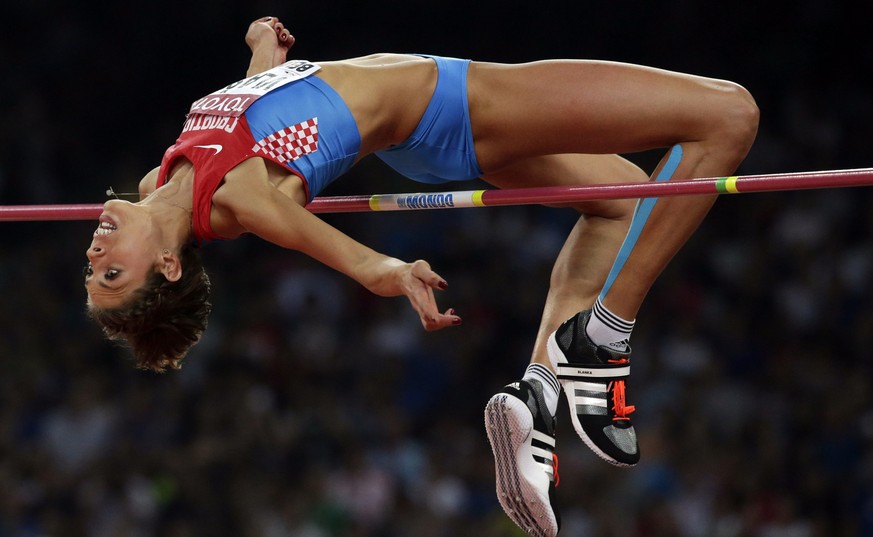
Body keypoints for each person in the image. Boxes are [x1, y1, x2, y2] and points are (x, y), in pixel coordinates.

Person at [83, 16, 759, 537]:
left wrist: (263, 51)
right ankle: (604, 337)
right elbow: (306, 230)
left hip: (422, 132)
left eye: (93, 270)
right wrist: (386, 269)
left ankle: (541, 401)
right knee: (728, 114)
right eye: (112, 274)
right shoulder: (233, 202)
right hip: (454, 104)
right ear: (169, 265)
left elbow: (254, 109)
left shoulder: (159, 179)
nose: (93, 254)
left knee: (622, 201)